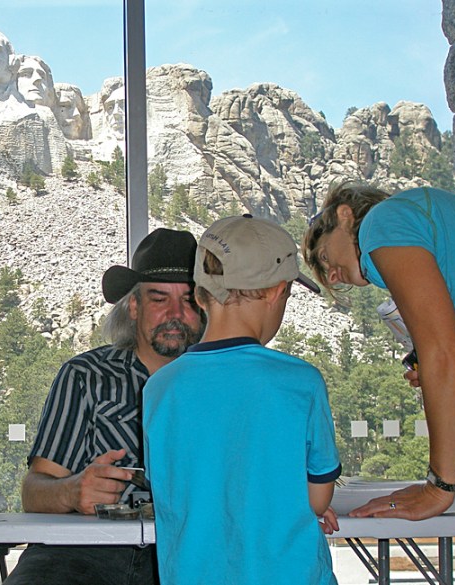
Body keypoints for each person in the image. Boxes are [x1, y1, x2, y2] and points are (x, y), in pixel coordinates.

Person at [302, 183, 455, 584]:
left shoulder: (384, 221)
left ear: (345, 215)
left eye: (322, 255)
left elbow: (447, 354)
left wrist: (440, 486)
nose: (331, 273)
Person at [143, 215, 341, 584]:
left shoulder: (160, 387)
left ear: (201, 294)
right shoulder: (301, 381)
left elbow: (174, 489)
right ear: (274, 292)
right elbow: (316, 500)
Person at [4, 228, 204, 585]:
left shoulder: (221, 382)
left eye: (189, 301)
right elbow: (33, 490)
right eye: (159, 299)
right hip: (82, 551)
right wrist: (72, 490)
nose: (176, 313)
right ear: (133, 306)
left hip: (191, 551)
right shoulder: (85, 375)